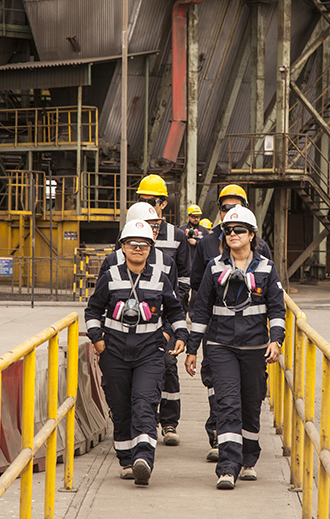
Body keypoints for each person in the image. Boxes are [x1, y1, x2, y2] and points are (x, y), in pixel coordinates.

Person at [185, 205, 285, 490]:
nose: (232, 234)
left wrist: (276, 340)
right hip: (221, 346)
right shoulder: (214, 268)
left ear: (252, 235)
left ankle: (249, 460)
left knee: (251, 404)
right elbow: (201, 311)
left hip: (255, 347)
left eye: (239, 230)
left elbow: (277, 309)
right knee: (227, 404)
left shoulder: (266, 268)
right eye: (228, 230)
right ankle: (228, 468)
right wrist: (193, 349)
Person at [85, 219, 188, 486]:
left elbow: (175, 311)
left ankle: (143, 457)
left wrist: (180, 335)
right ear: (123, 247)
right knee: (120, 407)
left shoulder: (159, 277)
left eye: (144, 245)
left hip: (149, 351)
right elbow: (93, 311)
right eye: (133, 244)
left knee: (144, 401)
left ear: (151, 248)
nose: (138, 249)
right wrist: (98, 340)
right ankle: (126, 459)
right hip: (114, 351)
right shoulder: (110, 276)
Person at [130, 174, 191, 446]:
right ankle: (144, 421)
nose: (147, 206)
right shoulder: (130, 235)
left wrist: (173, 326)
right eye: (142, 201)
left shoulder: (176, 237)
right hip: (136, 320)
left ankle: (168, 422)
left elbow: (184, 281)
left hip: (165, 318)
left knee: (167, 365)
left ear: (163, 204)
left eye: (151, 202)